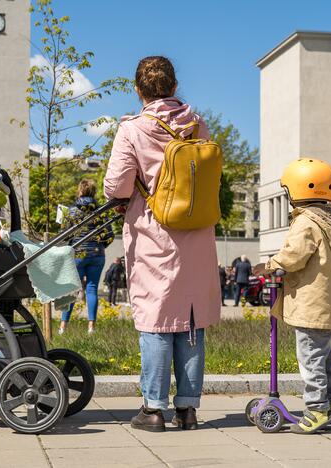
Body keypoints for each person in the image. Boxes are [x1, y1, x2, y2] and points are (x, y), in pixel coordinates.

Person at [104, 56, 221, 432]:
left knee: (156, 318)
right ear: (173, 87)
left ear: (138, 91)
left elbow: (117, 185)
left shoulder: (133, 129)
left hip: (154, 230)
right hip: (198, 231)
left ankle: (153, 408)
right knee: (190, 319)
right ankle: (187, 409)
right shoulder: (197, 124)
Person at [257, 158, 331, 434]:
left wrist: (271, 265)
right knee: (327, 358)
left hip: (310, 304)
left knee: (310, 358)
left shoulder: (306, 222)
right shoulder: (329, 221)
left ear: (297, 190)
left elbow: (294, 255)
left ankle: (317, 410)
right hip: (325, 303)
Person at [59, 179, 114, 335]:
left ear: (80, 191)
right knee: (92, 289)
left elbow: (64, 234)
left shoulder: (71, 211)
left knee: (71, 290)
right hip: (97, 254)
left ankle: (63, 326)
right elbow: (109, 235)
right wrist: (101, 246)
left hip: (78, 254)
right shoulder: (101, 211)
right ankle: (91, 327)